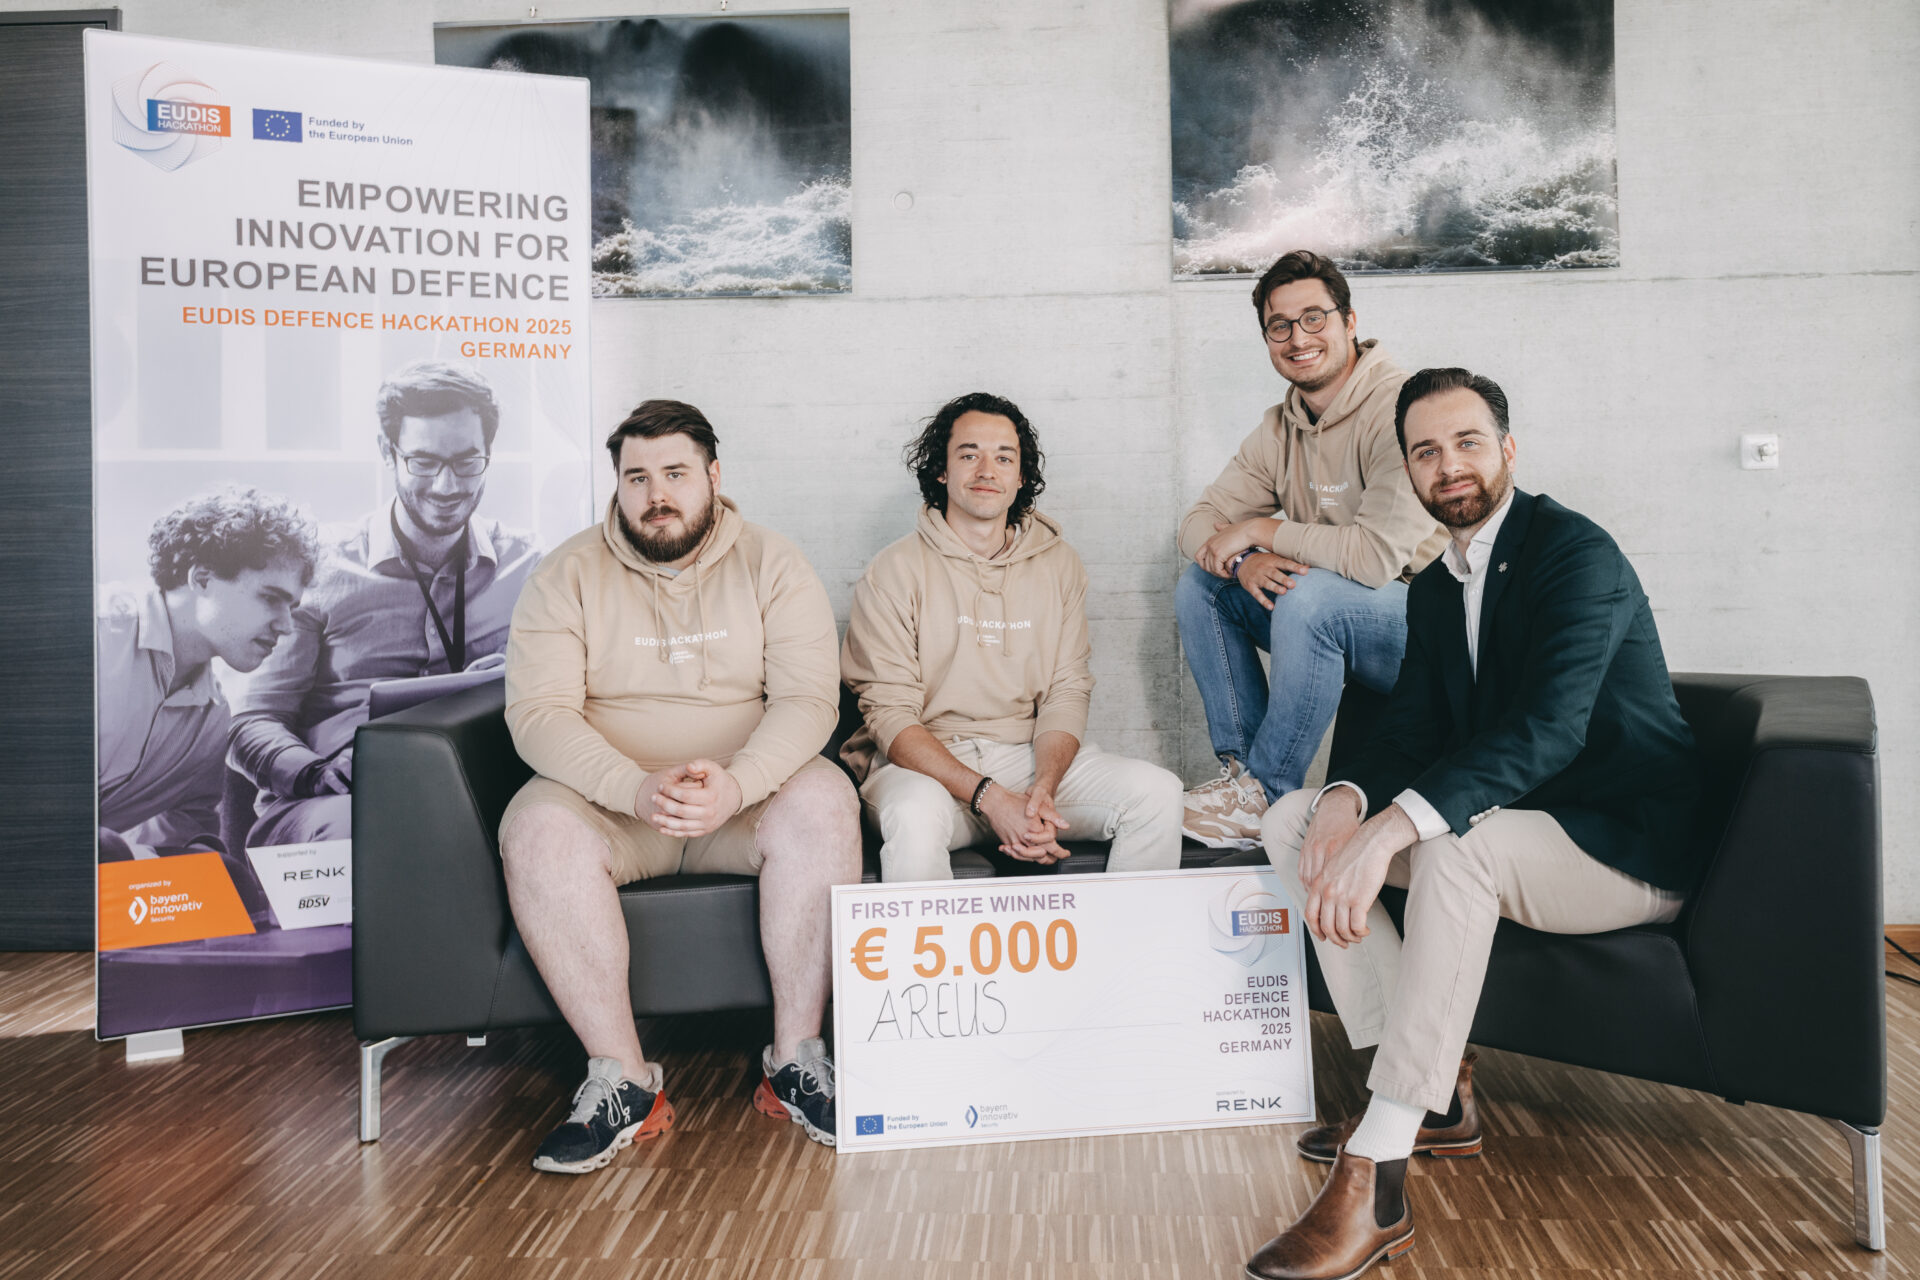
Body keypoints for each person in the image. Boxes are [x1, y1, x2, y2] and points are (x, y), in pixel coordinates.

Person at [1244, 368, 1702, 1280]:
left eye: (1466, 443)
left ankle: (1377, 1169)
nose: (1447, 465)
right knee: (1293, 820)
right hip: (1516, 830)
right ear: (1409, 471)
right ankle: (1435, 1095)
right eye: (1425, 451)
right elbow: (1411, 730)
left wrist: (1389, 833)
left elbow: (1550, 730)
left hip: (1620, 843)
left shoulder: (1577, 554)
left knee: (1455, 843)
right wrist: (1344, 802)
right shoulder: (1432, 585)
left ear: (1508, 451)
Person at [499, 398, 861, 1173]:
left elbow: (808, 700)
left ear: (713, 476)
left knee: (827, 801)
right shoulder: (564, 574)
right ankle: (625, 1083)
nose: (656, 494)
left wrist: (740, 783)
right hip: (615, 805)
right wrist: (631, 787)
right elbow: (538, 715)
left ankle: (795, 1062)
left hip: (745, 801)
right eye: (637, 477)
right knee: (535, 829)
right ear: (618, 484)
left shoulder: (774, 562)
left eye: (675, 473)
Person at [841, 391, 1183, 881]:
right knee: (914, 816)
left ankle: (1124, 933)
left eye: (1004, 457)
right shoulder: (893, 570)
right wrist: (991, 798)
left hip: (1027, 759)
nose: (987, 470)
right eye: (969, 455)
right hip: (927, 770)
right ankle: (938, 939)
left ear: (1021, 476)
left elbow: (1067, 690)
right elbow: (890, 717)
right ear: (941, 470)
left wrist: (1043, 789)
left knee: (1157, 794)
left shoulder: (1059, 564)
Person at [1175, 250, 1445, 850]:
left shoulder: (1401, 409)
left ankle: (1270, 788)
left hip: (1429, 630)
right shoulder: (1282, 427)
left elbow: (1374, 558)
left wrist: (1261, 531)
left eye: (1314, 318)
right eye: (1280, 326)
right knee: (1204, 585)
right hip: (1330, 613)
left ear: (1349, 321)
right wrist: (1244, 561)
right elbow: (1197, 523)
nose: (1298, 338)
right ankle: (1244, 780)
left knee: (1311, 594)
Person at [229, 361, 540, 846]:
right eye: (423, 462)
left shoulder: (532, 569)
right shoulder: (316, 570)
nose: (447, 486)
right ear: (387, 451)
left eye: (466, 462)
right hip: (333, 803)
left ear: (489, 453)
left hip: (477, 792)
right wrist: (316, 773)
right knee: (376, 833)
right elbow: (251, 719)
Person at [98, 488, 319, 861]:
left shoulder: (212, 723)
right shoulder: (95, 636)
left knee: (220, 870)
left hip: (84, 882)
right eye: (270, 598)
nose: (286, 626)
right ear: (202, 578)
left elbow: (178, 844)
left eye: (292, 607)